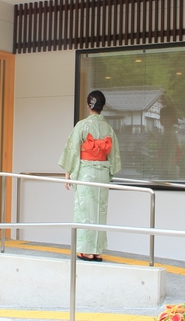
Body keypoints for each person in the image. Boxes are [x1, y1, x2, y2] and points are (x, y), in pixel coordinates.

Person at [58, 90, 121, 262]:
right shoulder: (108, 127)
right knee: (100, 211)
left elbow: (72, 149)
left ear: (88, 105)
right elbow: (113, 155)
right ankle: (98, 250)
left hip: (86, 172)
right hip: (102, 173)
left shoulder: (82, 125)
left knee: (85, 210)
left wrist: (68, 172)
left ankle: (86, 250)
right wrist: (109, 171)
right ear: (103, 106)